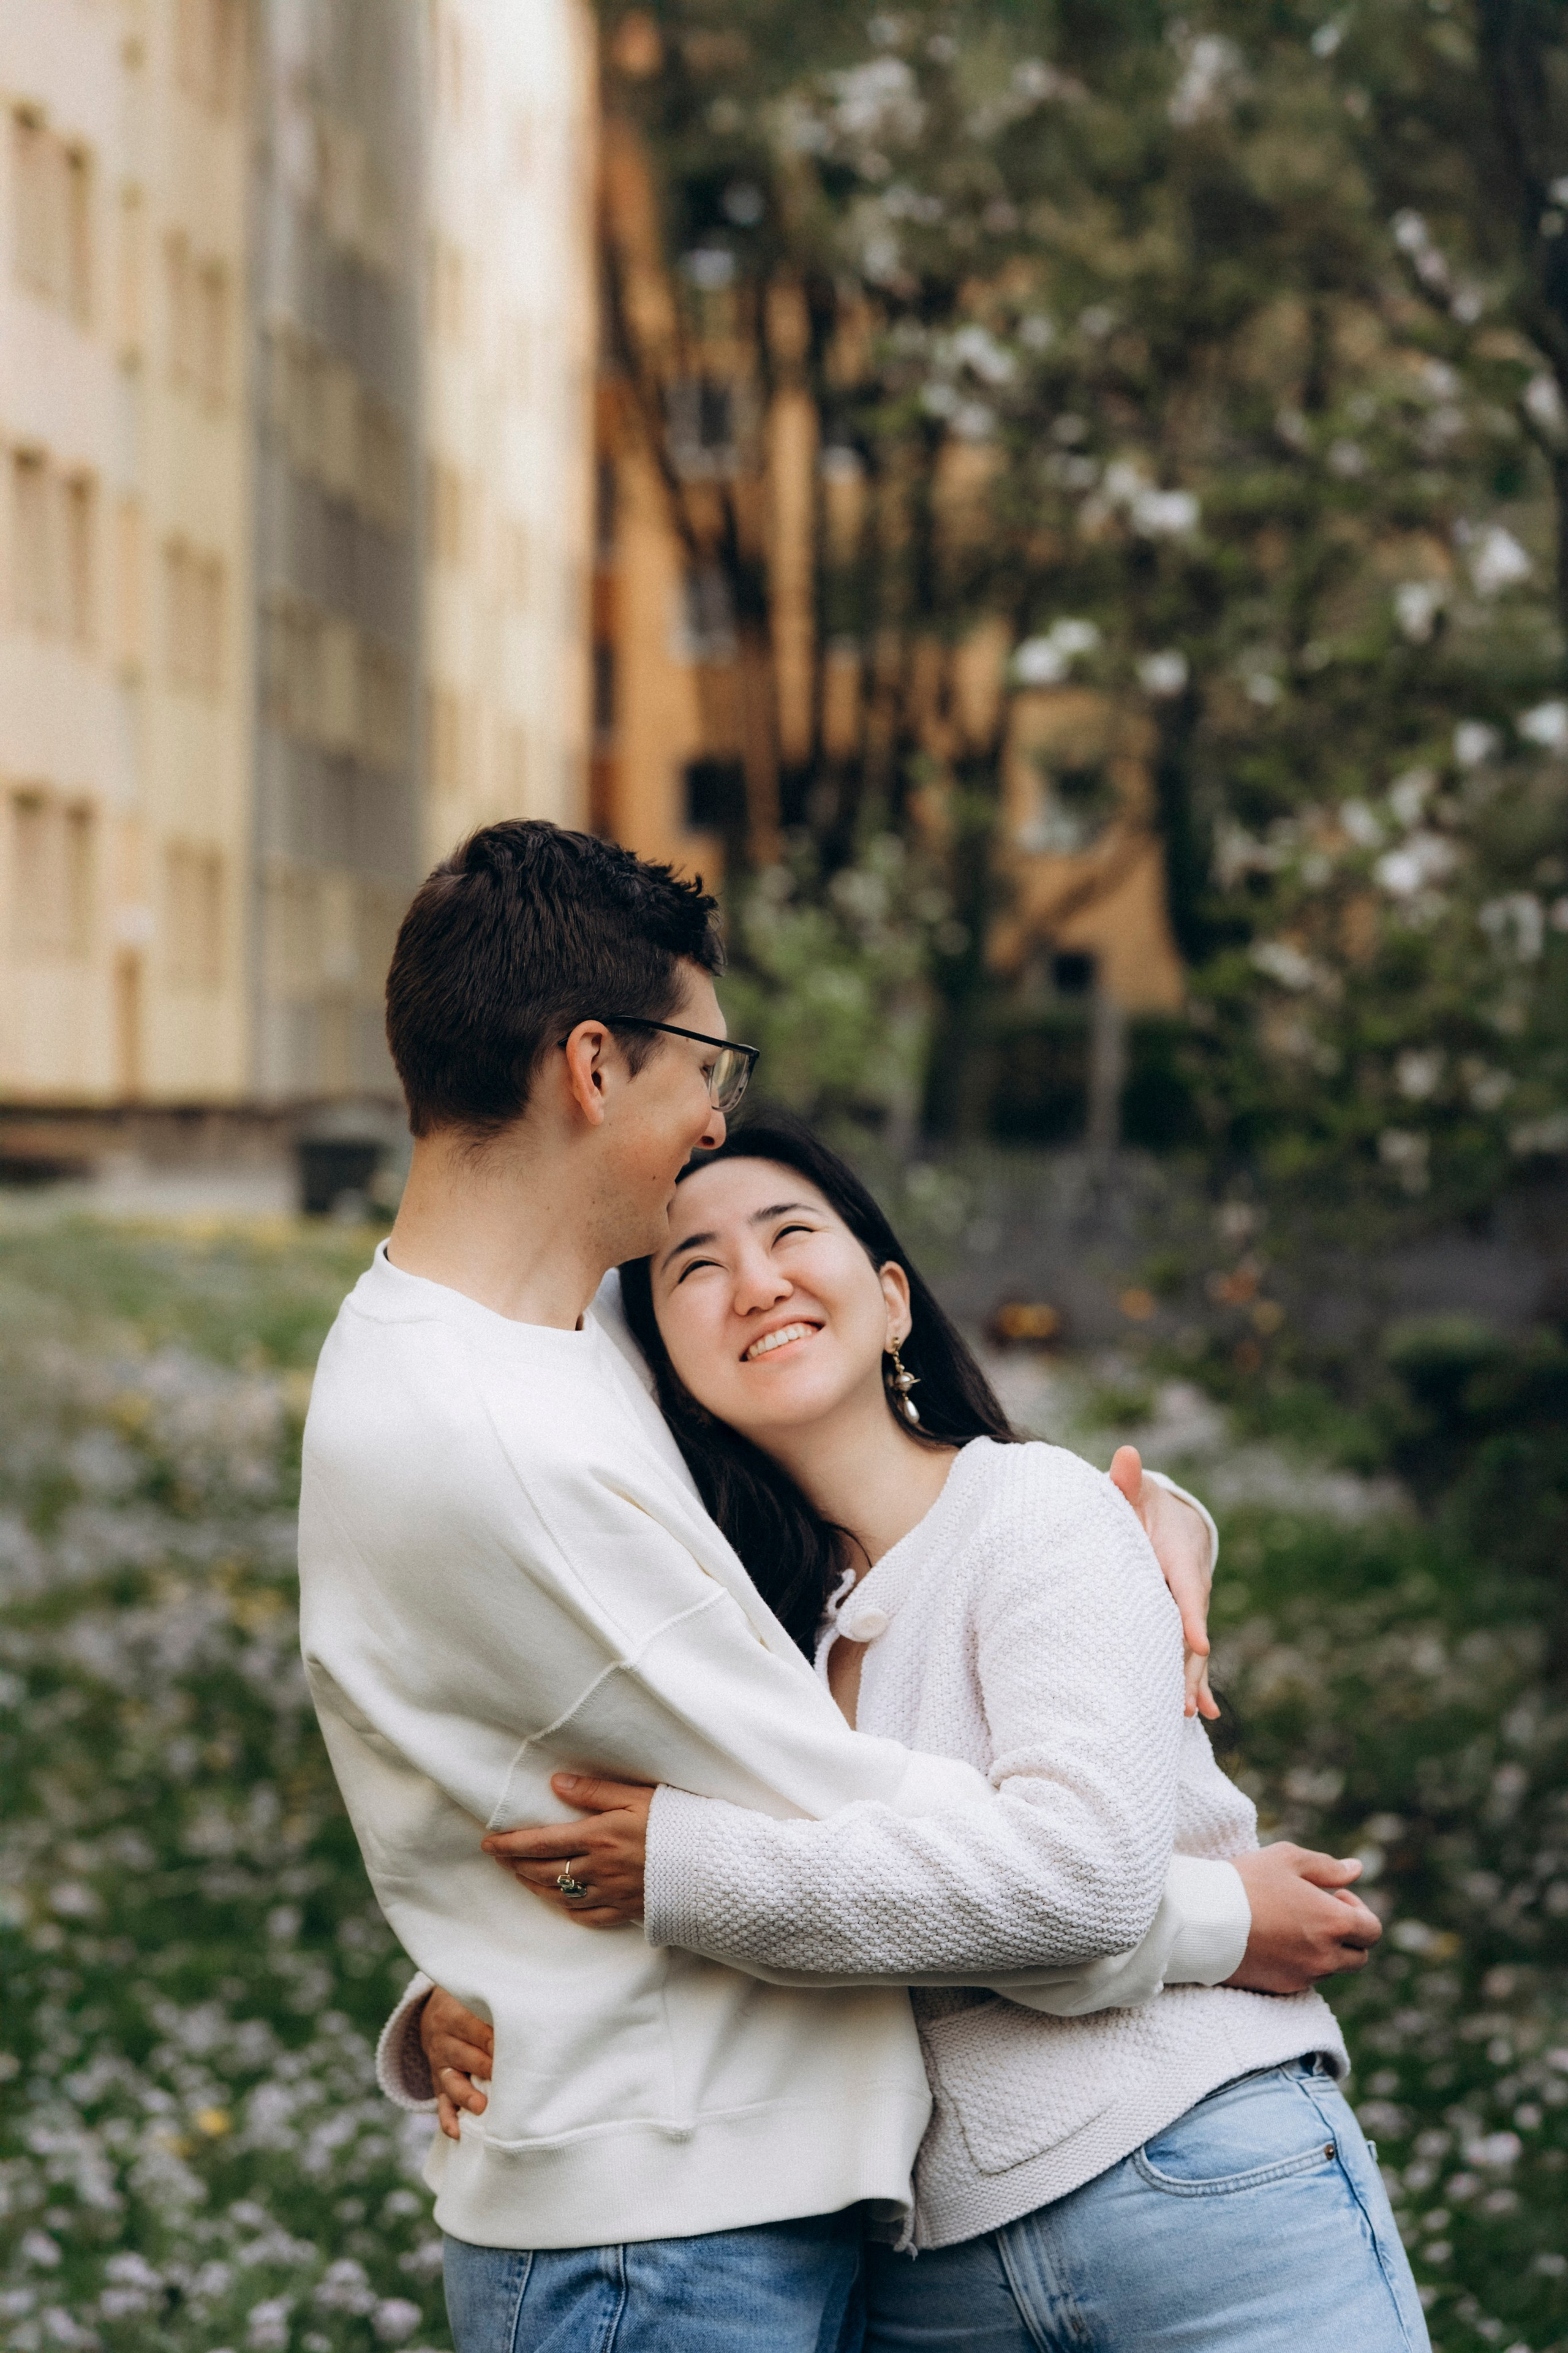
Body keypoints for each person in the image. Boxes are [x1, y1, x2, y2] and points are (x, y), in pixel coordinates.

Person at [300, 821, 1379, 2353]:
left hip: (926, 2193)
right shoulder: (502, 1422)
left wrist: (1129, 1544)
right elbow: (835, 1830)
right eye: (703, 1067)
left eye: (789, 1230)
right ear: (593, 1067)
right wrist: (1203, 1911)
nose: (713, 1125)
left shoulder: (550, 1337)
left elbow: (587, 1744)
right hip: (688, 2238)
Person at [432, 1117, 1425, 2352]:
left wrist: (689, 1867)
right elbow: (593, 1839)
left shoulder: (1033, 1508)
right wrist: (462, 1991)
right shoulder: (738, 1642)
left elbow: (1074, 1881)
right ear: (660, 1366)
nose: (755, 1281)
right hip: (928, 2275)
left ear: (892, 1298)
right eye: (690, 1266)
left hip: (1191, 2180)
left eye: (790, 1233)